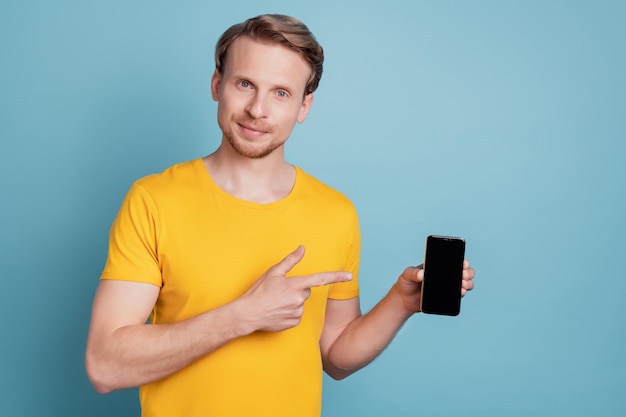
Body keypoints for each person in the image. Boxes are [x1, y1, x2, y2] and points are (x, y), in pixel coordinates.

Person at [85, 13, 475, 417]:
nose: (258, 109)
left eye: (281, 93)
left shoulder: (334, 213)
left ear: (304, 105)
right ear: (217, 84)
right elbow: (105, 366)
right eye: (245, 84)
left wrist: (400, 303)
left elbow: (336, 357)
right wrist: (243, 316)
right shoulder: (153, 200)